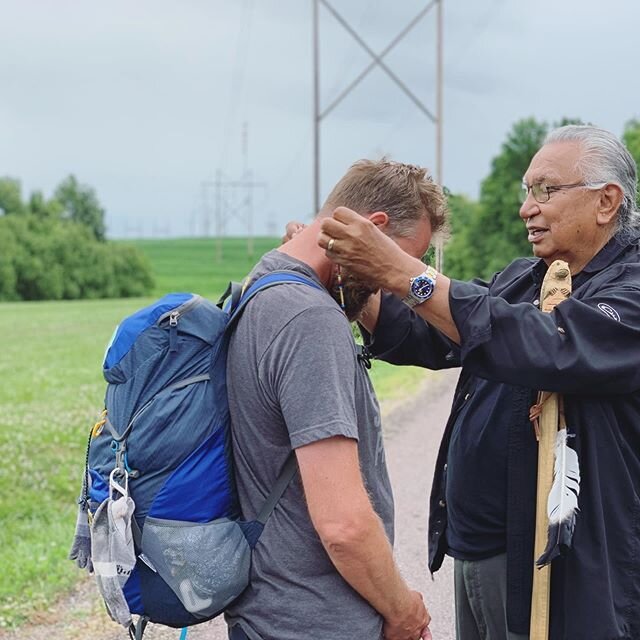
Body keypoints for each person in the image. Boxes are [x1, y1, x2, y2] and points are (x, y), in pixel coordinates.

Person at [317, 125, 640, 640]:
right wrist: (355, 273)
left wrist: (405, 272)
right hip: (479, 551)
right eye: (526, 191)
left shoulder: (631, 289)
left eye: (545, 190)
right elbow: (430, 332)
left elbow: (547, 344)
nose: (526, 208)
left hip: (557, 569)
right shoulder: (526, 277)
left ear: (606, 202)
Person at [225, 159, 447, 640]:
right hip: (315, 621)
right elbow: (344, 524)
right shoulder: (309, 319)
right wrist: (404, 611)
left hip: (270, 613)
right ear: (374, 229)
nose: (396, 283)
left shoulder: (263, 283)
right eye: (401, 262)